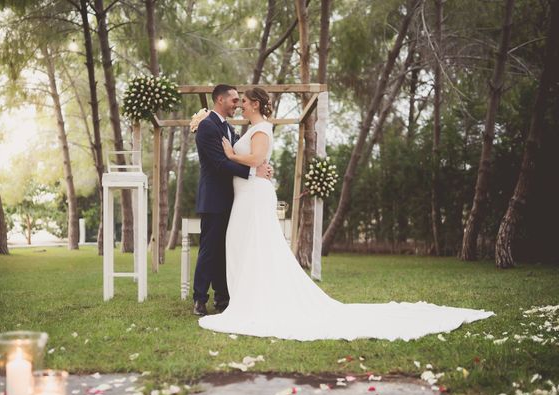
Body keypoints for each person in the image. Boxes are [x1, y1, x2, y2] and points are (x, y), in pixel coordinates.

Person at [198, 86, 494, 341]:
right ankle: (243, 296)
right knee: (243, 247)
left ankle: (253, 299)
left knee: (257, 247)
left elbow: (257, 159)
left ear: (256, 104)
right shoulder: (243, 129)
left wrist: (232, 154)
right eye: (238, 101)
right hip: (243, 197)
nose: (241, 105)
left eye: (245, 101)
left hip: (253, 197)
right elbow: (253, 162)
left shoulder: (261, 129)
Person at [192, 84, 273, 316]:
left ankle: (223, 297)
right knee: (209, 250)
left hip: (236, 199)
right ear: (220, 100)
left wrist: (262, 165)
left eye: (240, 101)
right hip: (214, 198)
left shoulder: (227, 127)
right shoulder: (207, 127)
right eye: (234, 100)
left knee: (226, 250)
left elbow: (246, 155)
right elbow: (220, 163)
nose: (237, 105)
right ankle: (199, 298)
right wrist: (253, 172)